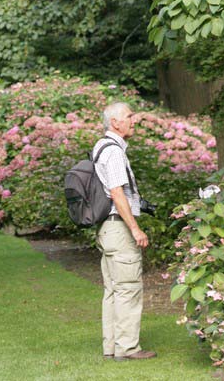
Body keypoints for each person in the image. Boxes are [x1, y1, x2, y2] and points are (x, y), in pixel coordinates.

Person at [93, 101, 157, 361]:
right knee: (128, 288)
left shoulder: (100, 147)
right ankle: (128, 349)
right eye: (129, 116)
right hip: (118, 229)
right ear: (115, 123)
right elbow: (117, 192)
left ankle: (112, 348)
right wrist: (135, 228)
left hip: (106, 230)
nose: (135, 119)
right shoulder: (115, 152)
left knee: (113, 290)